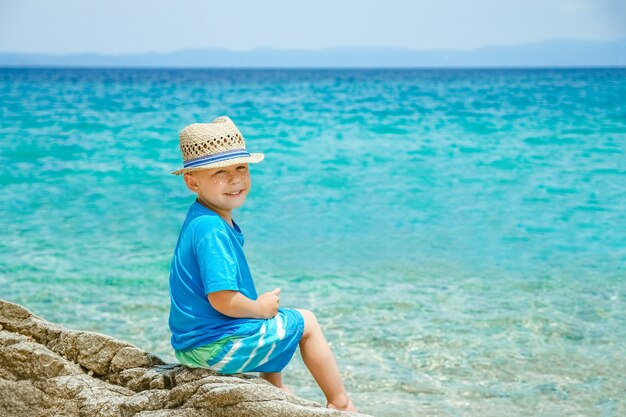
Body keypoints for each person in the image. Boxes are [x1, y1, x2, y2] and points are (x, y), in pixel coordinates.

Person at [168, 116, 356, 412]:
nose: (235, 179)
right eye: (219, 172)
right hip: (213, 348)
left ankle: (272, 388)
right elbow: (221, 299)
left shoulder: (203, 217)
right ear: (192, 181)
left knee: (268, 316)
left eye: (240, 168)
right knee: (306, 321)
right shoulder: (211, 229)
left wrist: (260, 310)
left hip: (194, 343)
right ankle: (340, 402)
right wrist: (259, 308)